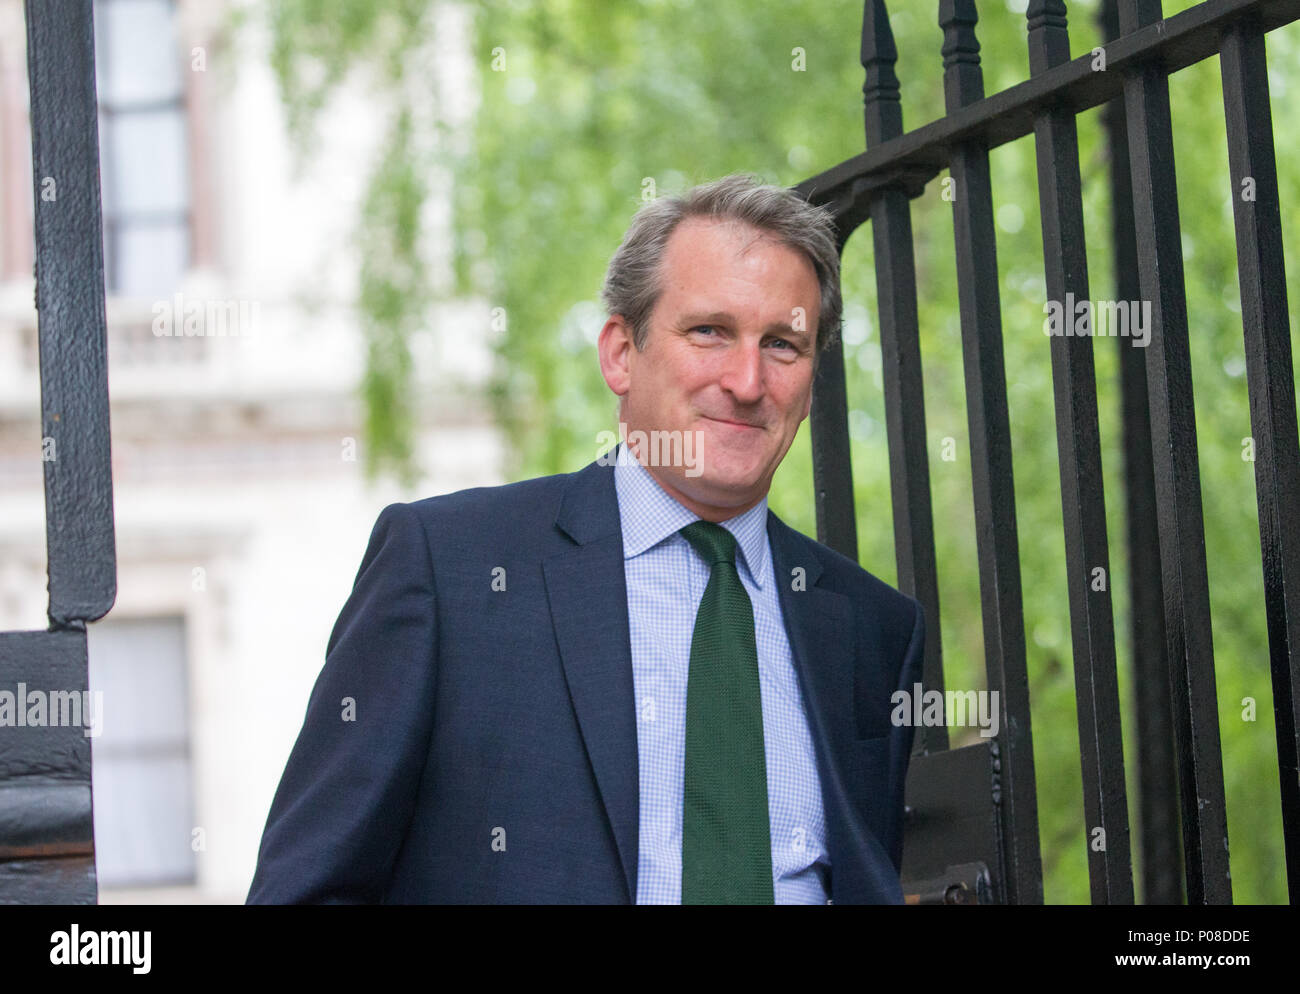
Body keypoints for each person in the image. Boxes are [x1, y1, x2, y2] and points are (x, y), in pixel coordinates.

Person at [246, 173, 925, 904]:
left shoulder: (871, 630)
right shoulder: (450, 570)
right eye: (709, 332)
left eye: (783, 345)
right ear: (619, 354)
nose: (748, 379)